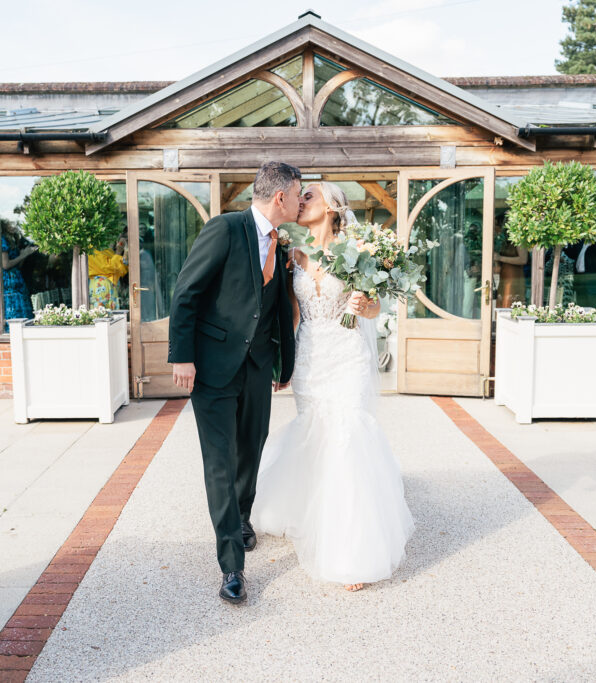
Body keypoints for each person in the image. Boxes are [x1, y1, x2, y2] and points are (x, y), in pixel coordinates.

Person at [251, 181, 415, 593]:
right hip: (310, 357)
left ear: (331, 207)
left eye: (309, 196)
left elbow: (376, 304)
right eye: (300, 196)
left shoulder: (361, 251)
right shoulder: (294, 256)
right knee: (315, 431)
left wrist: (366, 305)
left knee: (346, 436)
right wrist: (281, 363)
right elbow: (292, 316)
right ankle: (309, 511)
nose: (300, 201)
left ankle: (351, 549)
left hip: (347, 356)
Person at [168, 161, 300, 605]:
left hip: (259, 367)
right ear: (280, 197)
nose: (302, 202)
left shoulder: (280, 245)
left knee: (252, 448)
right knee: (221, 462)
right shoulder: (225, 229)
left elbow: (279, 307)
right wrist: (182, 356)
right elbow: (186, 291)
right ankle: (231, 567)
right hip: (212, 367)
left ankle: (241, 517)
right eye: (299, 194)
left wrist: (284, 362)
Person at [0, 222, 37, 325]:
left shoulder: (12, 239)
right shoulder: (2, 240)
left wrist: (24, 255)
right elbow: (6, 265)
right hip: (9, 283)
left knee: (23, 311)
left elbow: (17, 265)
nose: (14, 225)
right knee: (14, 311)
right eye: (10, 223)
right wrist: (23, 255)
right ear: (4, 225)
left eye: (15, 223)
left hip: (17, 280)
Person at [493, 214, 528, 307]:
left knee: (510, 302)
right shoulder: (504, 239)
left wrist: (500, 258)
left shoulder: (518, 239)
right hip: (504, 275)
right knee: (502, 301)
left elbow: (523, 259)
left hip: (514, 275)